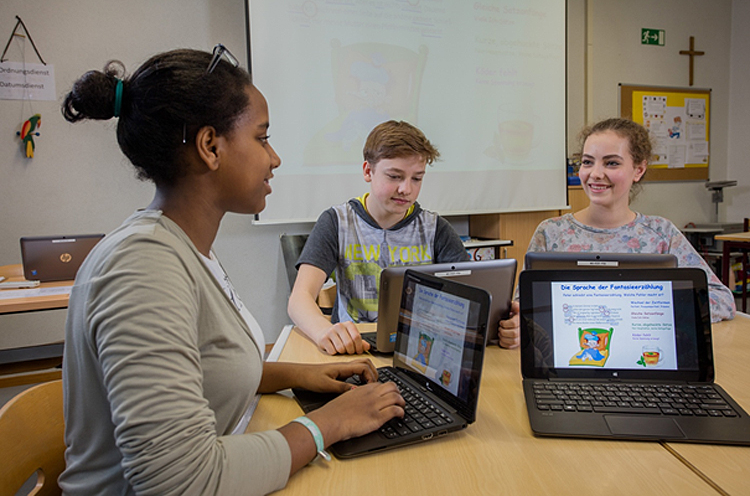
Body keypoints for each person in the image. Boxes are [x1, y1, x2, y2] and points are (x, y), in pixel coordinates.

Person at [58, 47, 405, 495]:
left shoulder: (180, 247)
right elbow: (181, 482)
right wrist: (329, 424)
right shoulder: (143, 269)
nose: (274, 158)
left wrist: (299, 375)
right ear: (210, 146)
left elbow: (200, 366)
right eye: (262, 138)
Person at [497, 117, 736, 349]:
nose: (596, 173)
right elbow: (524, 306)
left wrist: (652, 309)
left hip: (641, 357)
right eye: (587, 162)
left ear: (638, 170)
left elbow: (721, 300)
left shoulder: (660, 234)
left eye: (611, 163)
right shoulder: (551, 232)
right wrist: (518, 327)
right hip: (567, 361)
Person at [288, 120, 469, 355]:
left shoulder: (435, 229)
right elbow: (299, 298)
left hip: (415, 350)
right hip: (355, 348)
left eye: (417, 178)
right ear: (367, 171)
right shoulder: (337, 221)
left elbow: (471, 295)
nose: (406, 189)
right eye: (395, 176)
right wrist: (324, 331)